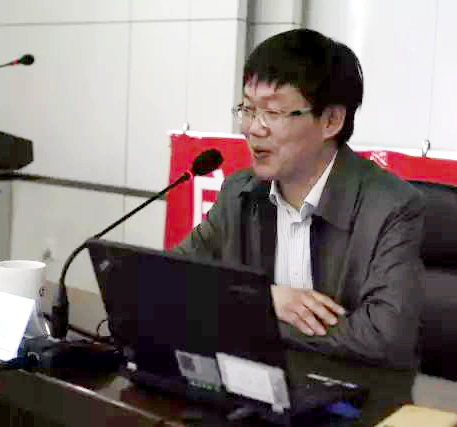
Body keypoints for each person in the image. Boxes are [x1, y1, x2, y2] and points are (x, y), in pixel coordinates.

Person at [173, 29, 424, 369]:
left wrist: (253, 313)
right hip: (261, 381)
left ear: (331, 121)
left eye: (272, 113)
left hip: (356, 391)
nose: (253, 128)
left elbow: (385, 338)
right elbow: (173, 277)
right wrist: (265, 300)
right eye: (248, 109)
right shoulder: (239, 194)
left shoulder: (392, 208)